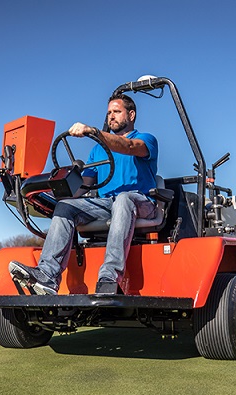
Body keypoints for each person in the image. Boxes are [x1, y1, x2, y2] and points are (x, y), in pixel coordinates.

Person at [9, 94, 158, 295]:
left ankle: (110, 276)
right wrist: (54, 193)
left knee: (123, 199)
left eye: (116, 111)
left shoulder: (146, 139)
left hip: (141, 202)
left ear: (131, 115)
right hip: (108, 204)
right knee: (65, 207)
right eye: (109, 113)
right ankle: (47, 275)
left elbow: (129, 147)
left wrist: (93, 131)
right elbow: (84, 185)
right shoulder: (98, 151)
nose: (111, 116)